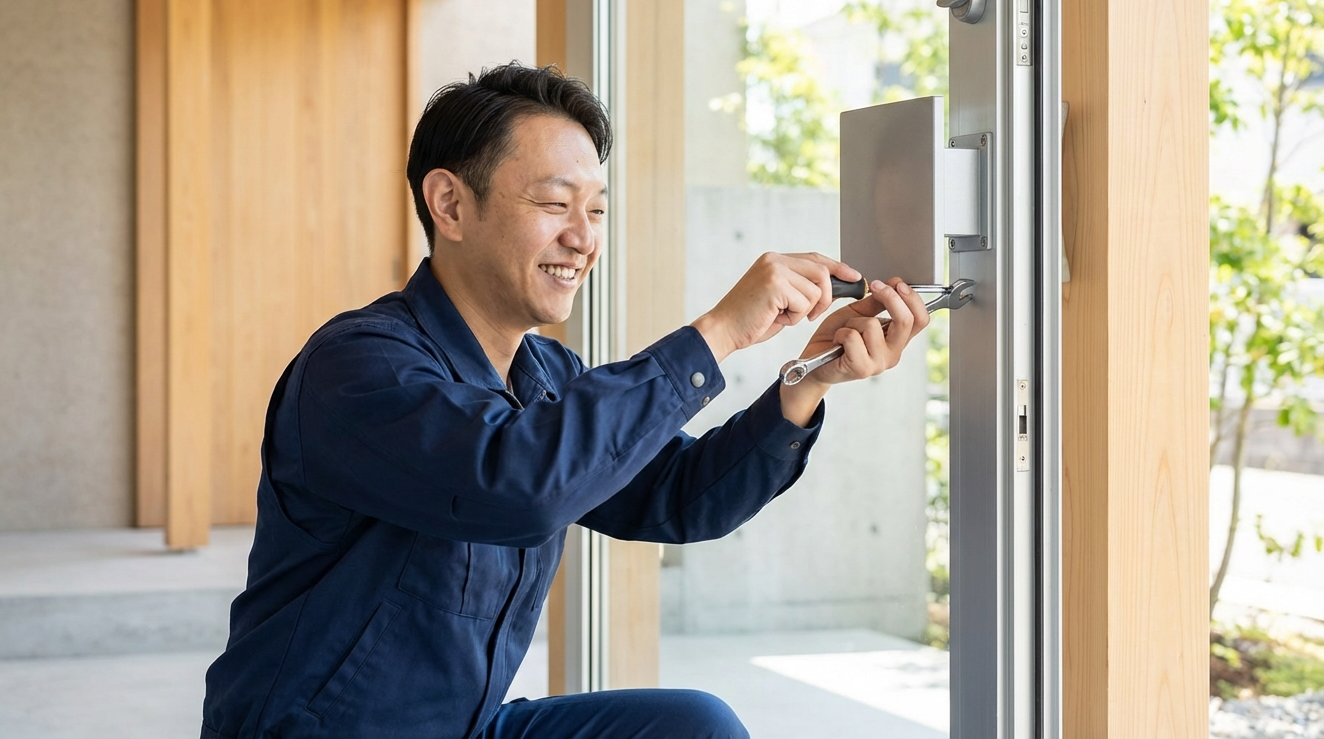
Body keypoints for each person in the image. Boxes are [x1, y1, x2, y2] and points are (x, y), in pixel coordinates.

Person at [201, 62, 930, 739]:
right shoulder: (357, 368)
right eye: (554, 204)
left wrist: (811, 376)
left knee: (691, 726)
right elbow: (517, 484)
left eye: (597, 210)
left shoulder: (544, 373)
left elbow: (678, 498)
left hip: (468, 725)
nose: (582, 238)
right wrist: (715, 333)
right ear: (449, 203)